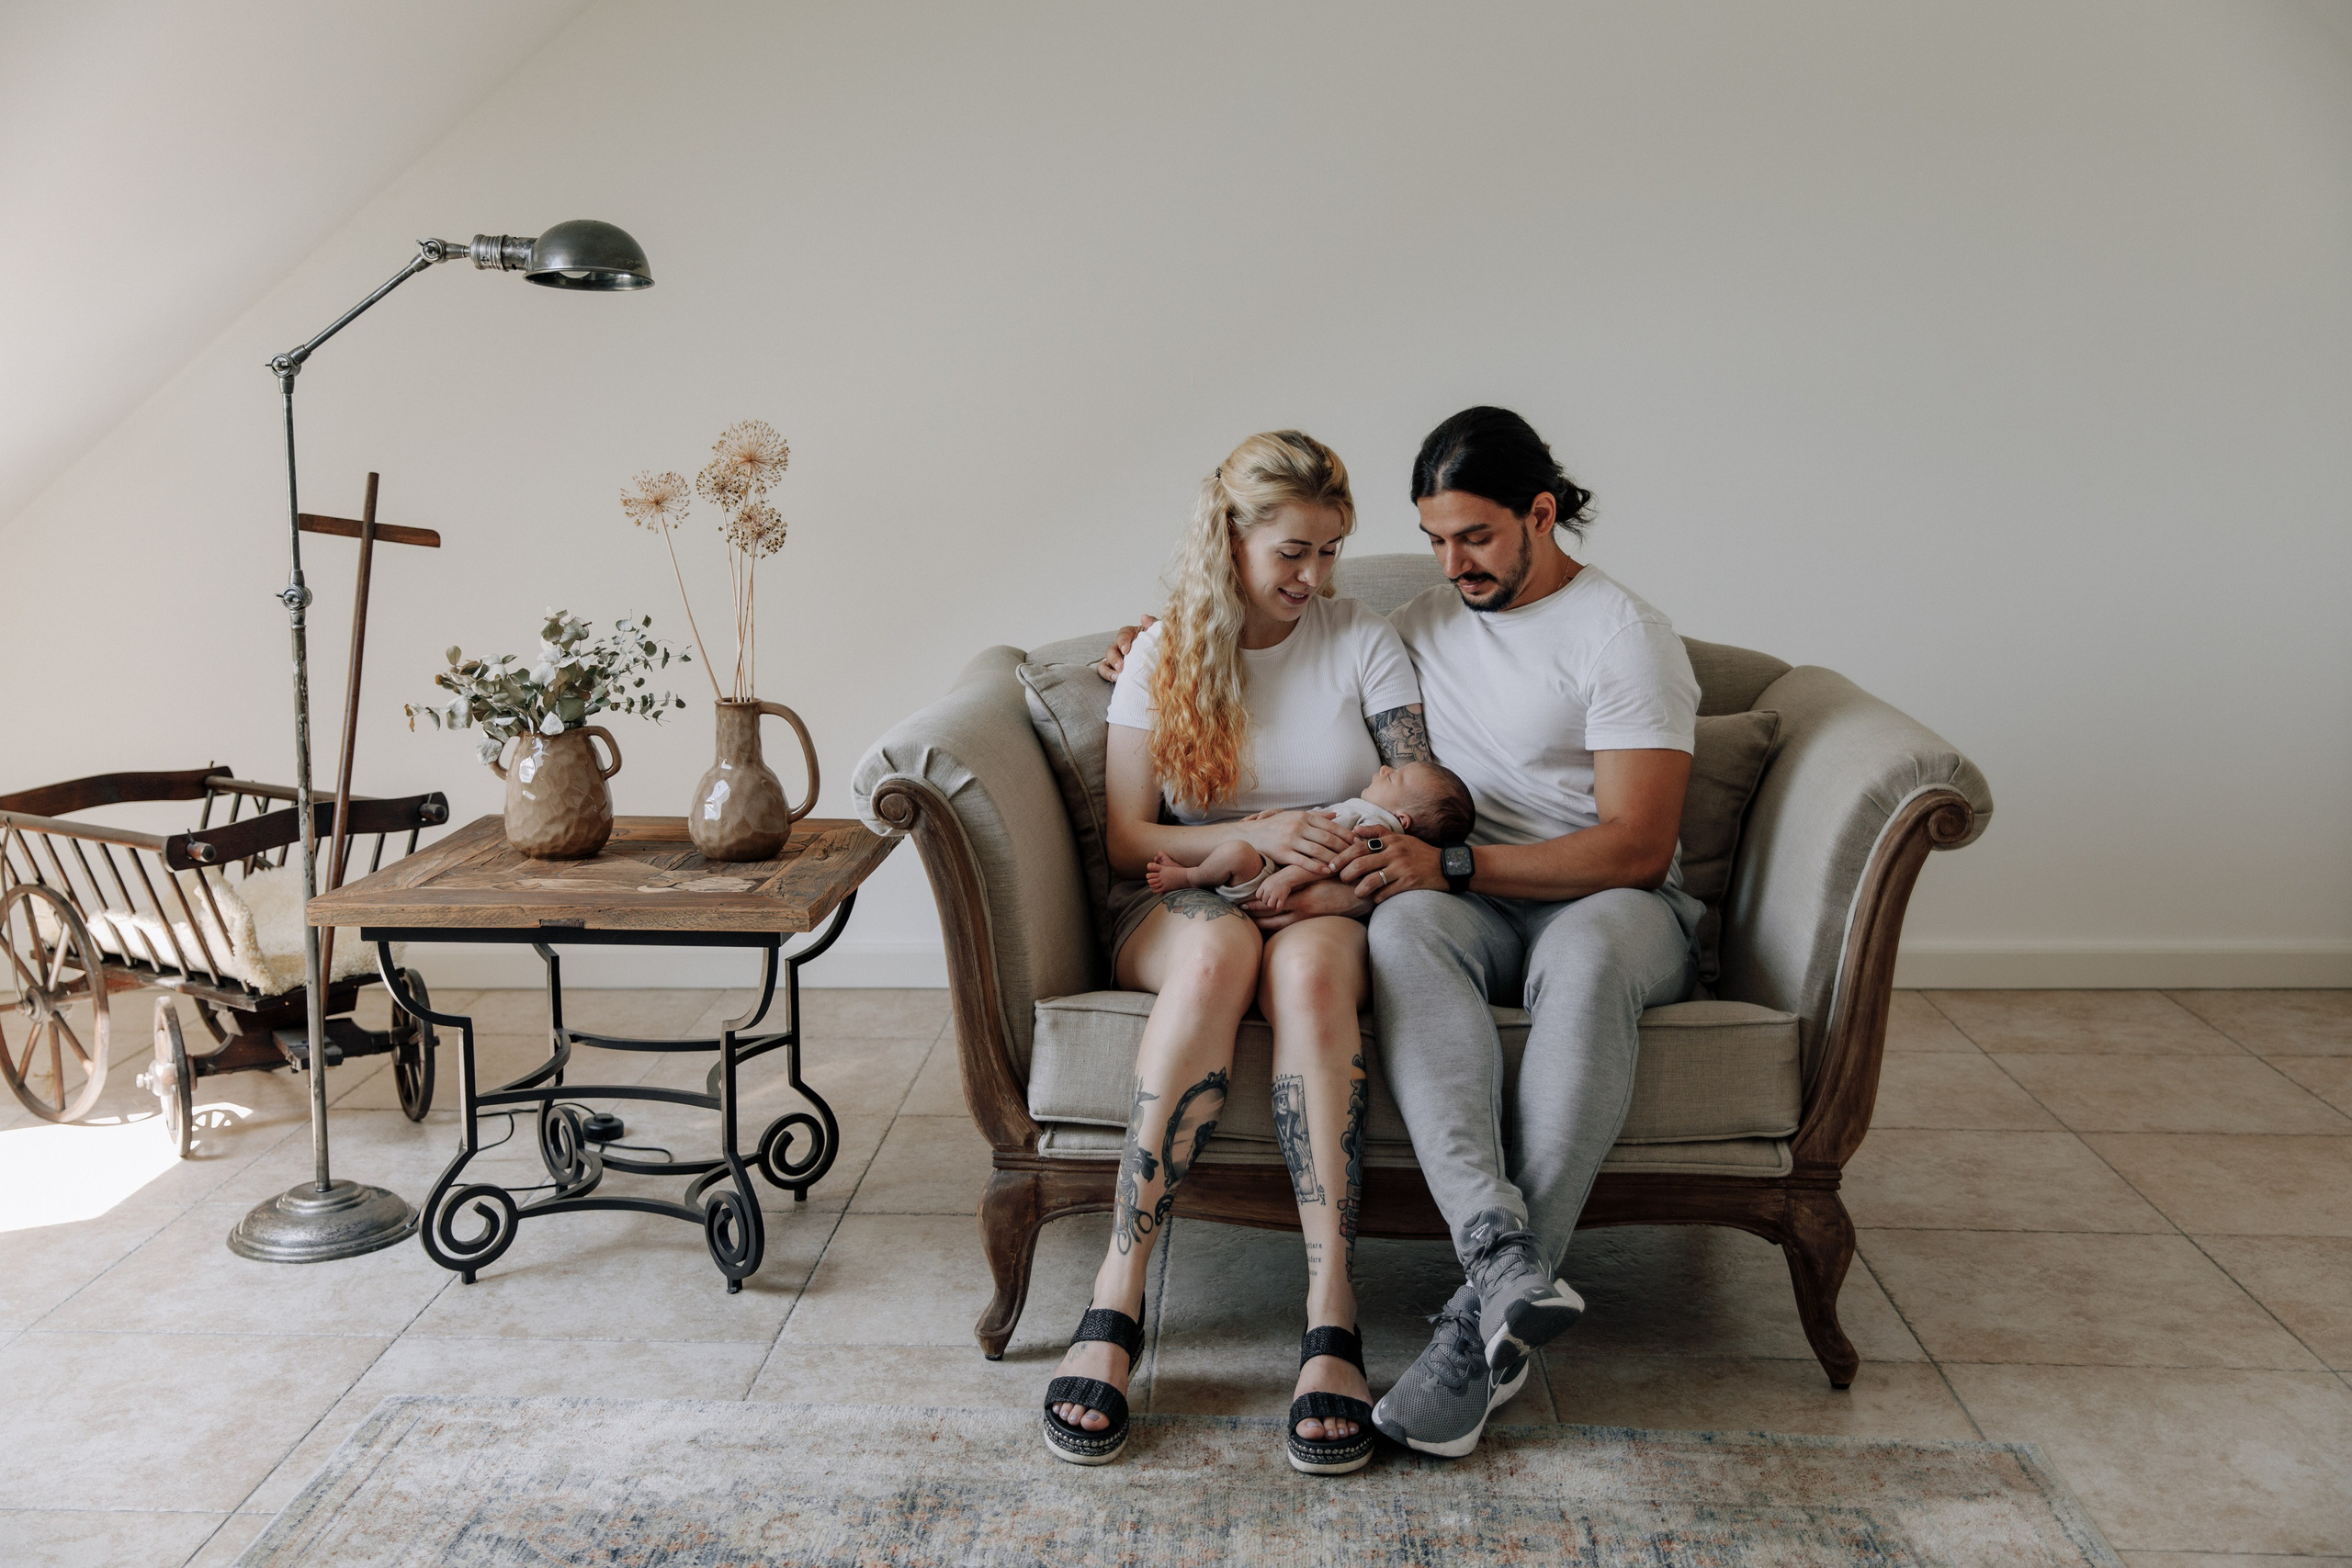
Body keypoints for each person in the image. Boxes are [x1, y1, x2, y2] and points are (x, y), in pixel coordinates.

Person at [1100, 406, 1702, 1461]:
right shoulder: (1420, 620)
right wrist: (1148, 652)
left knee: (1586, 954)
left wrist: (1440, 862)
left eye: (1473, 536)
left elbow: (1637, 850)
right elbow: (1252, 653)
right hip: (1461, 898)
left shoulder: (1623, 635)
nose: (1449, 560)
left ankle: (1485, 1314)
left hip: (1606, 900)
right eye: (1433, 539)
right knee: (1406, 930)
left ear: (1541, 513)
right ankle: (1494, 1249)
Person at [1041, 429, 1435, 1477]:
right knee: (1218, 961)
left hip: (1318, 890)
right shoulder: (1167, 652)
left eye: (1331, 552)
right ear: (1232, 539)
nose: (1315, 577)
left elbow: (1416, 798)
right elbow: (1128, 839)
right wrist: (1255, 836)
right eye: (1293, 553)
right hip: (1179, 899)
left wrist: (1314, 849)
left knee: (1306, 971)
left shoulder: (1365, 641)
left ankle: (1330, 1318)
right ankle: (1116, 1295)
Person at [1143, 761, 1473, 911]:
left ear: (1403, 818)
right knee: (1237, 851)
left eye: (1396, 778)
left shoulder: (1374, 827)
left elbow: (1331, 860)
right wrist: (1277, 819)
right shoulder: (1364, 812)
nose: (1386, 769)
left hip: (1272, 884)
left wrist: (1286, 880)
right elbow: (1314, 824)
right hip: (1271, 868)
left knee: (1235, 853)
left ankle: (1188, 876)